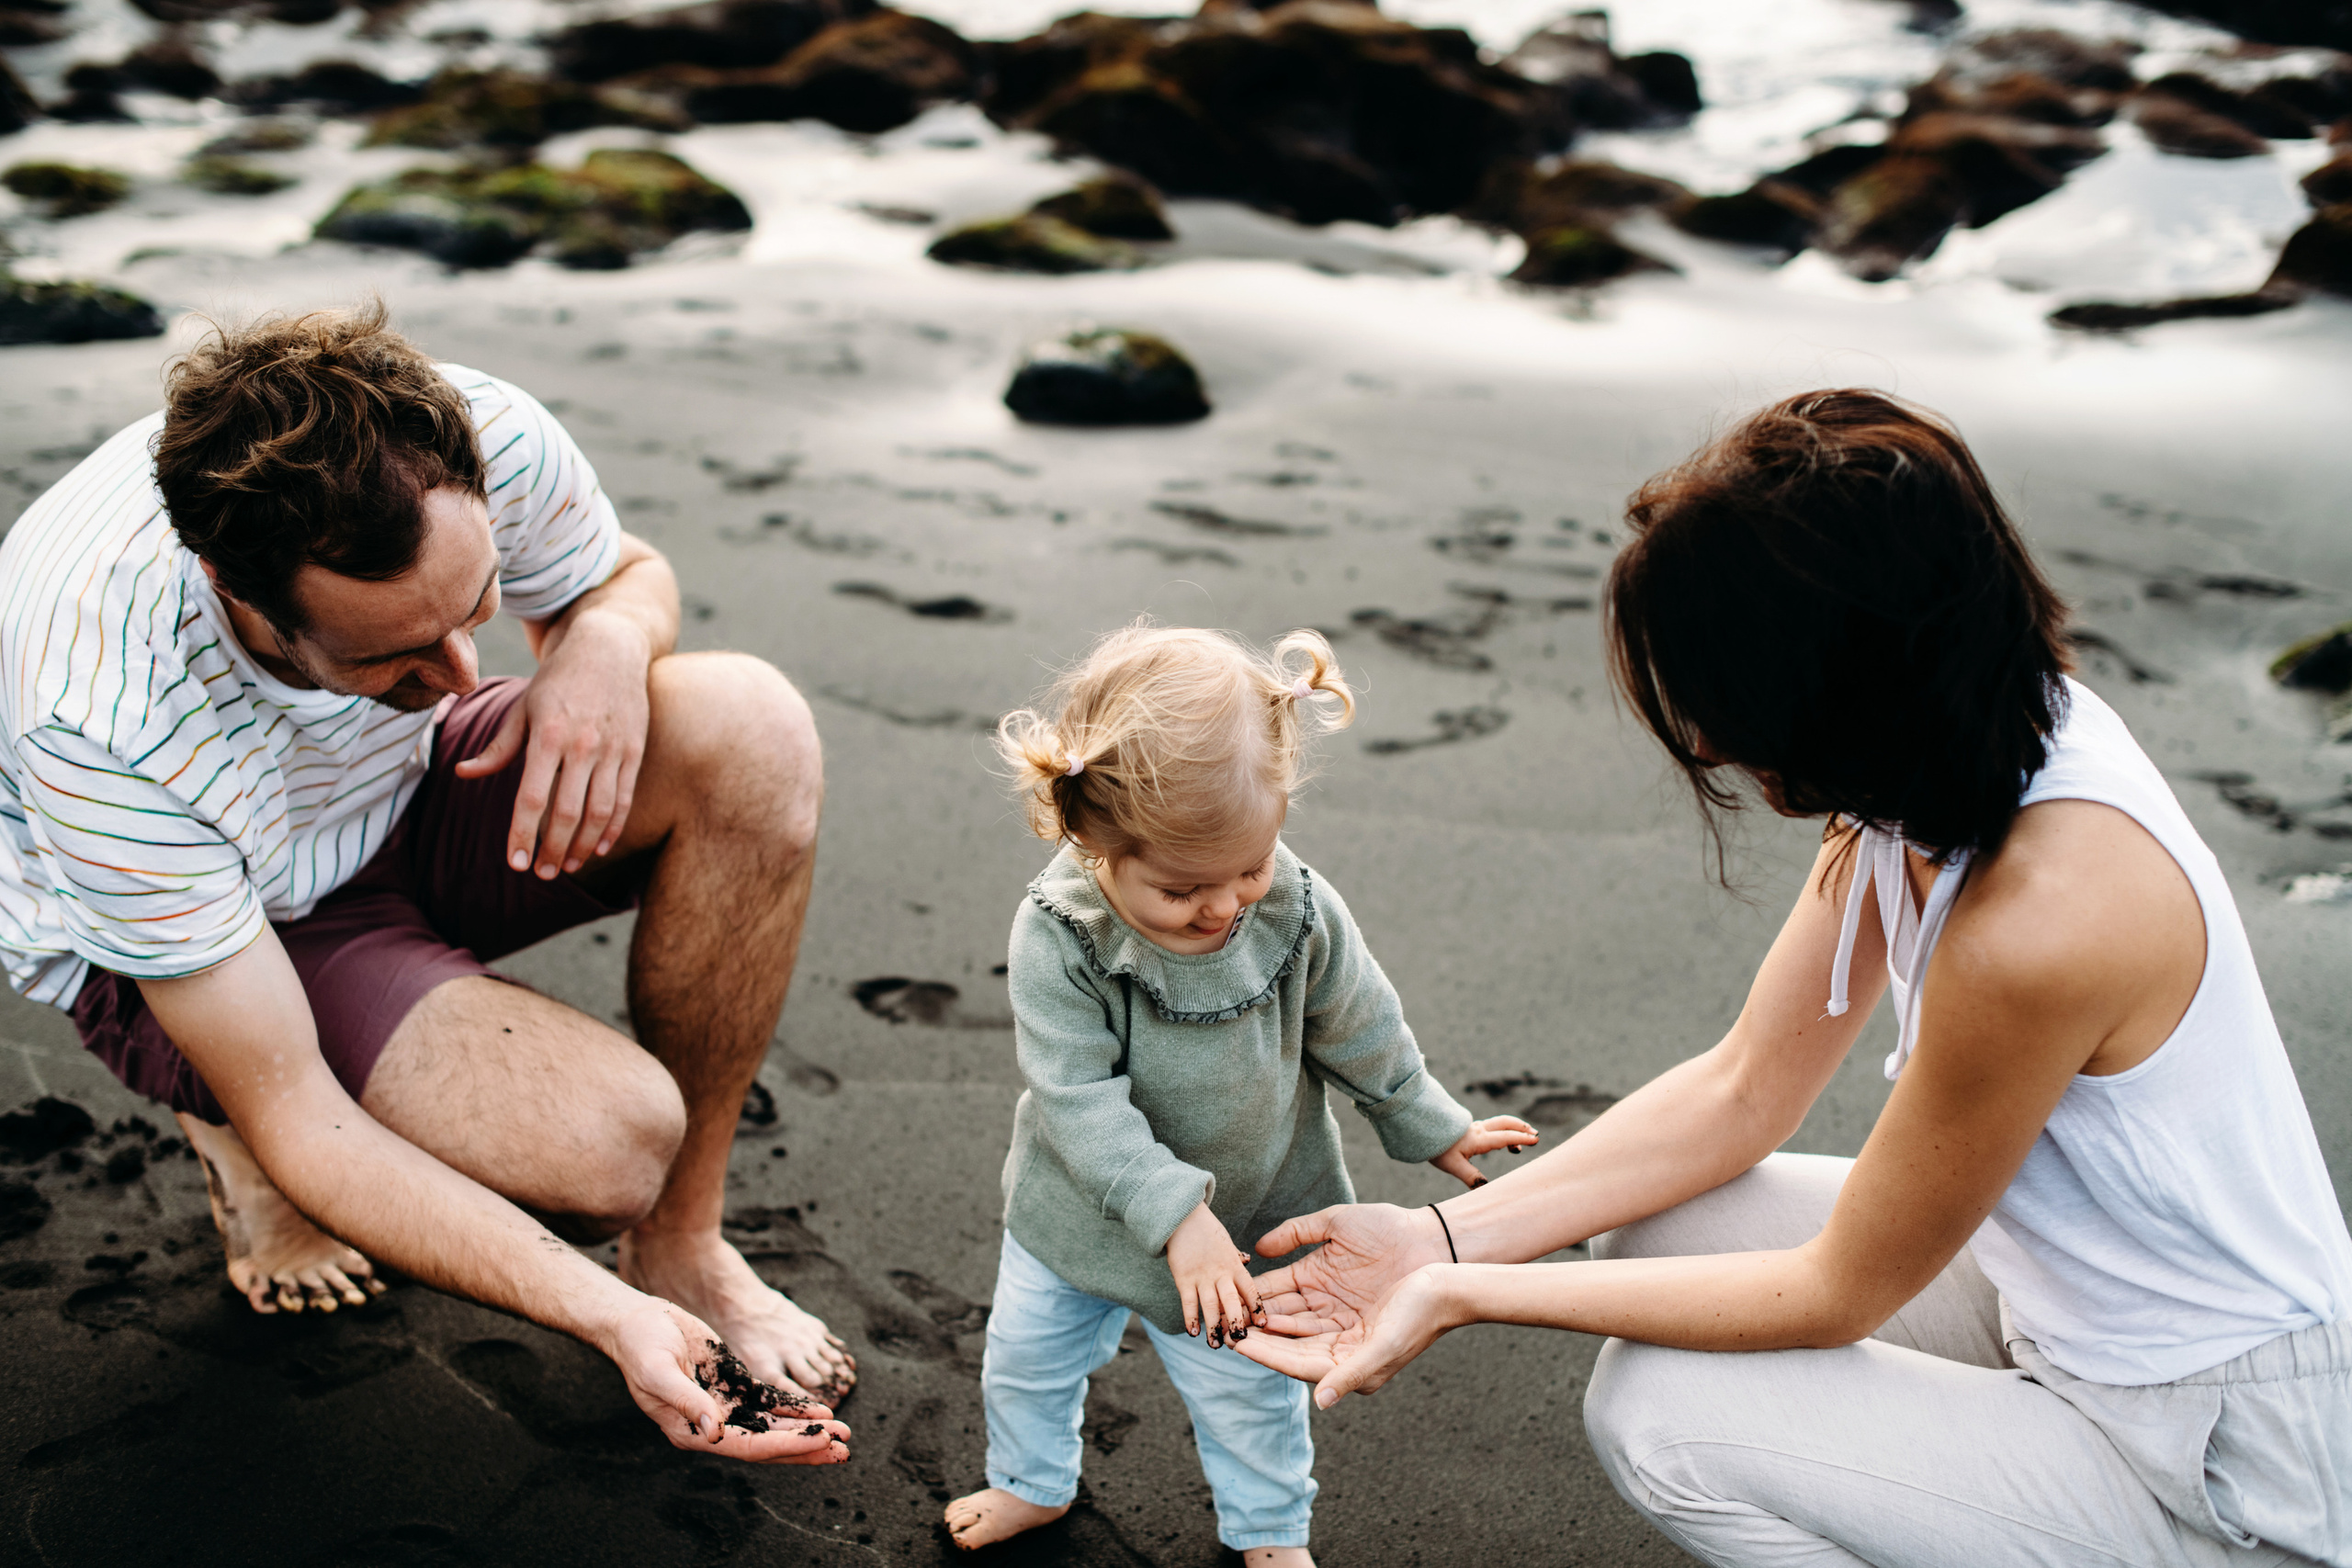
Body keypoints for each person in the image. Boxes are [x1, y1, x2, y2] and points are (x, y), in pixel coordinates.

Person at [1237, 390, 2352, 1567]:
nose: (1710, 742)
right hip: (2061, 1304)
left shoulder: (2040, 922)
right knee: (1662, 1219)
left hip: (2216, 1456)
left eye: (1725, 695)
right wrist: (1442, 1242)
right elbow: (1743, 1085)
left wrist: (1464, 1300)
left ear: (1840, 682)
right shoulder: (1943, 750)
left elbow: (1839, 1293)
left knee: (1658, 1418)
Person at [0, 304, 855, 1461]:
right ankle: (220, 1123)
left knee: (749, 724)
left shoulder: (472, 431)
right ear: (235, 590)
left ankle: (686, 1243)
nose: (462, 674)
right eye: (392, 651)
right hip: (219, 930)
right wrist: (609, 1320)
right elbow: (304, 1115)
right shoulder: (95, 718)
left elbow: (626, 577)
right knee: (604, 1147)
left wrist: (603, 642)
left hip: (401, 795)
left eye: (477, 606)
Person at [940, 624, 1537, 1564]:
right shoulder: (1059, 935)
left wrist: (1427, 1123)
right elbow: (1077, 1099)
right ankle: (1029, 1482)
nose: (1223, 906)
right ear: (1092, 840)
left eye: (1248, 869)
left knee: (1251, 1396)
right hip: (1080, 1215)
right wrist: (1178, 1220)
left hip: (1258, 1211)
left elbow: (1358, 1023)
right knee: (1027, 1362)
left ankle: (1266, 1532)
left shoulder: (1292, 904)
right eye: (1182, 889)